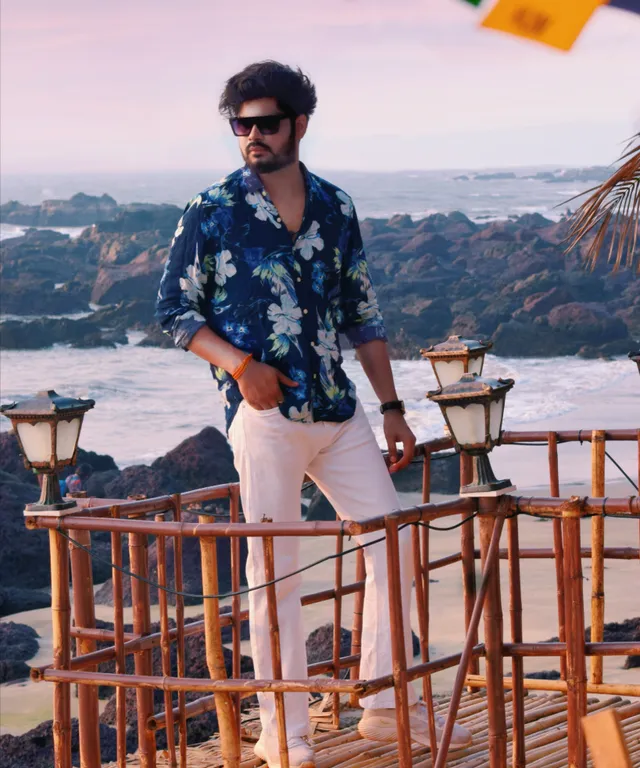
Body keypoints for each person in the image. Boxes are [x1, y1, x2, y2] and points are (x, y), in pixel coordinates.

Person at [156, 61, 471, 768]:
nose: (252, 136)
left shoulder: (336, 206)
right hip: (264, 419)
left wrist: (392, 408)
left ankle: (384, 708)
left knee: (395, 546)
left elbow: (363, 311)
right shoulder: (211, 210)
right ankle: (285, 734)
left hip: (340, 411)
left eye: (267, 122)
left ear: (299, 122)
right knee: (274, 576)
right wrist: (240, 365)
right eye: (241, 125)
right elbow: (172, 312)